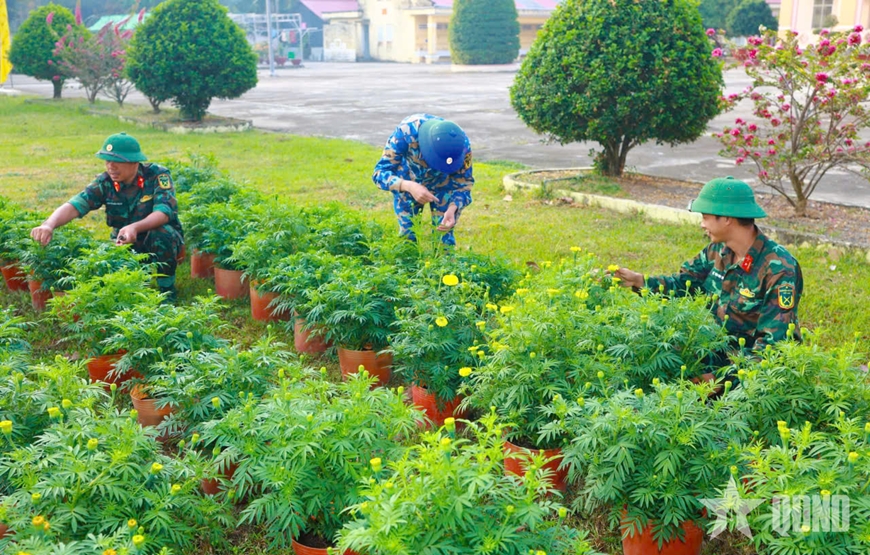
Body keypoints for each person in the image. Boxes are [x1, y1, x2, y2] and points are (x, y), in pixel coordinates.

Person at [614, 176, 803, 354]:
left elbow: (774, 344)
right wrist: (639, 281)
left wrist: (721, 375)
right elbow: (684, 284)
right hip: (711, 350)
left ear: (727, 218)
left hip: (747, 366)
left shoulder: (779, 268)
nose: (702, 224)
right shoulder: (718, 250)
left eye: (705, 217)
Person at [30, 132, 184, 301]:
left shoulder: (156, 175)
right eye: (107, 161)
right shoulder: (105, 182)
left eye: (116, 161)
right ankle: (137, 286)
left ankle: (167, 290)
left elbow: (164, 213)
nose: (111, 166)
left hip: (157, 238)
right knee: (112, 275)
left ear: (133, 162)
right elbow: (75, 204)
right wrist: (49, 224)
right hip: (123, 241)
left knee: (161, 234)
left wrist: (135, 227)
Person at [373, 114, 473, 246]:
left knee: (444, 240)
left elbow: (464, 184)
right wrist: (408, 186)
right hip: (408, 180)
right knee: (407, 238)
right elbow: (379, 173)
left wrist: (453, 207)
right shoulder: (407, 131)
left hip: (443, 186)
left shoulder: (461, 144)